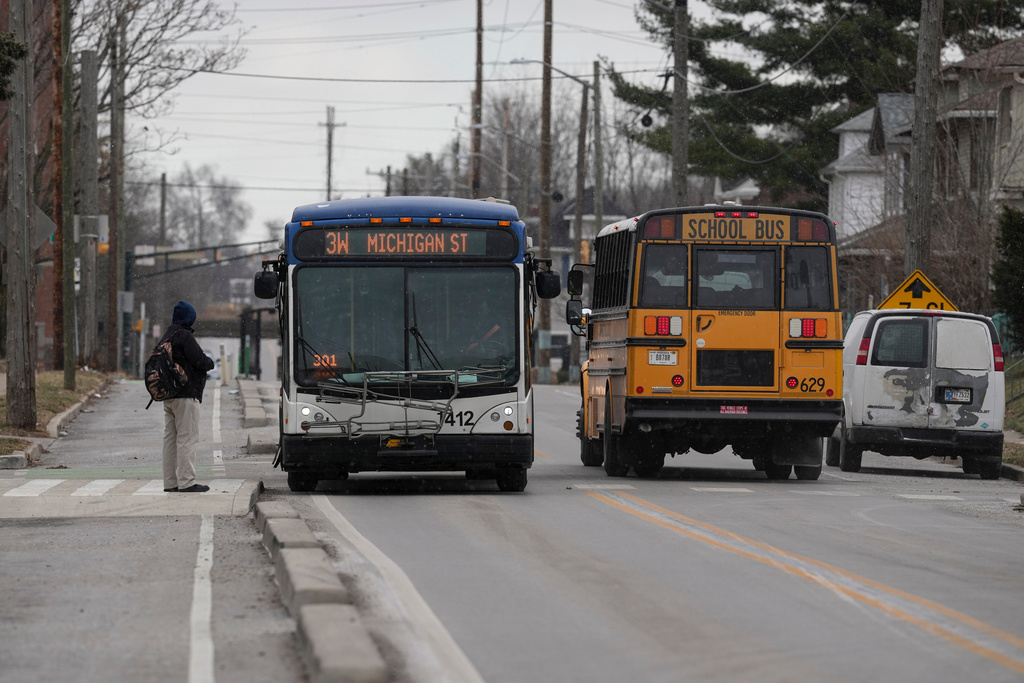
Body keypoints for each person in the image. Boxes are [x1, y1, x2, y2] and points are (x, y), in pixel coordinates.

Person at [159, 301, 215, 493]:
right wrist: (210, 363)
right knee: (187, 438)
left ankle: (170, 483)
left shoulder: (167, 335)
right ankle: (186, 482)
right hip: (186, 395)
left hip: (169, 395)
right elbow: (199, 360)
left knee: (170, 440)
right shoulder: (184, 335)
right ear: (189, 318)